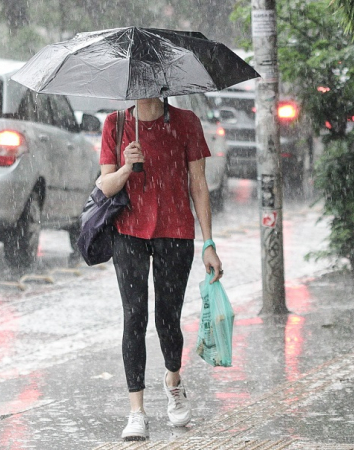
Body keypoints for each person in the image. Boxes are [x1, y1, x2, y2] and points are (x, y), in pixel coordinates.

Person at [96, 97, 223, 441]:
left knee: (168, 318)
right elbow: (104, 186)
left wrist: (209, 243)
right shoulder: (116, 124)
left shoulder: (186, 122)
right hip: (129, 233)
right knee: (134, 316)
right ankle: (136, 411)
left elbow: (198, 183)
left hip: (175, 231)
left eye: (152, 81)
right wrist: (126, 167)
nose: (145, 89)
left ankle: (173, 379)